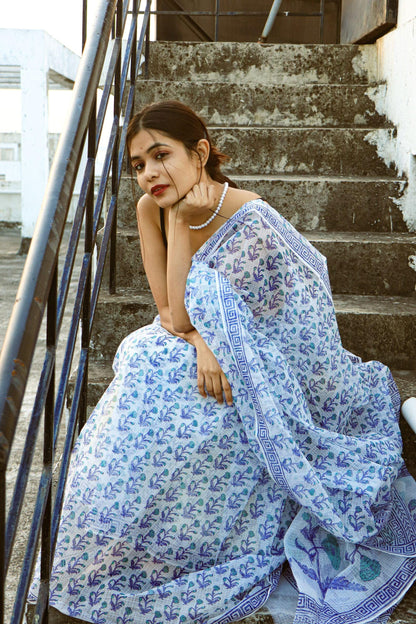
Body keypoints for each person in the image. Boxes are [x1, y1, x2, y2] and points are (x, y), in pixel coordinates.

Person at [29, 100, 416, 624]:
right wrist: (204, 336)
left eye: (160, 155)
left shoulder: (252, 215)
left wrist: (223, 341)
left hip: (265, 354)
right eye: (138, 165)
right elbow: (171, 311)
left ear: (200, 152)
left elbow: (299, 320)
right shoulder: (150, 209)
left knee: (193, 391)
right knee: (147, 360)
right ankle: (105, 548)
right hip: (192, 337)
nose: (149, 174)